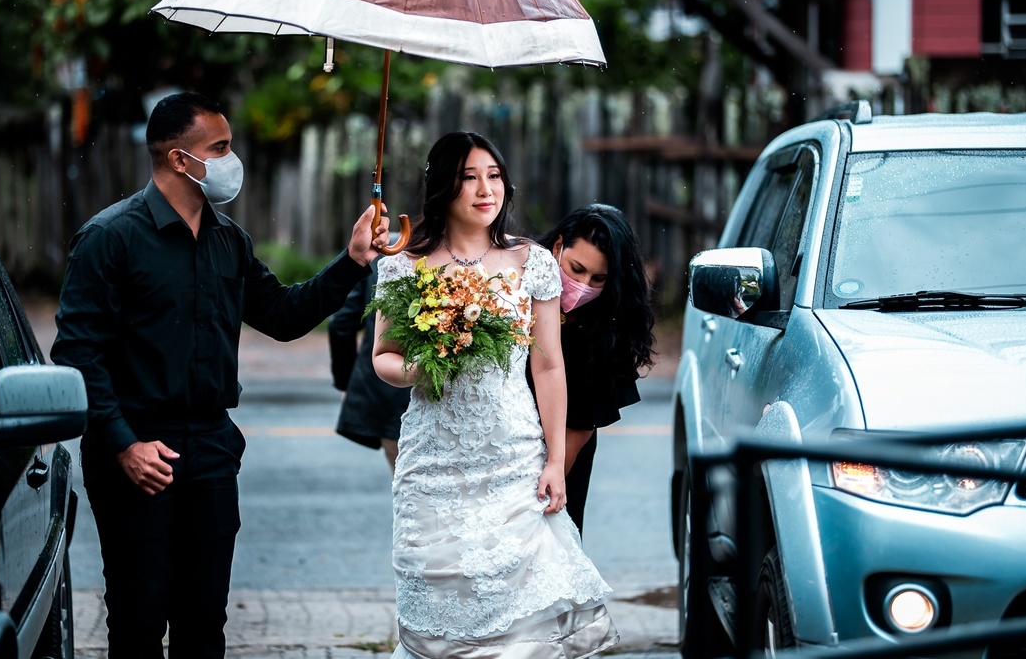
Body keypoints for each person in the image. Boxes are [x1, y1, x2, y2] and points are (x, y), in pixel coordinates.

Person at [50, 91, 389, 659]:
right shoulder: (110, 239)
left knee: (204, 621)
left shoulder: (228, 240)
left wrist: (352, 262)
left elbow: (283, 316)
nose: (234, 160)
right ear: (181, 159)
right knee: (137, 618)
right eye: (221, 147)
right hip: (136, 452)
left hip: (210, 448)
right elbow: (79, 355)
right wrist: (123, 444)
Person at [371, 131, 618, 659]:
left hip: (513, 460)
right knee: (439, 610)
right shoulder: (402, 263)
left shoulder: (532, 261)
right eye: (469, 177)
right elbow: (383, 357)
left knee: (520, 618)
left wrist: (555, 461)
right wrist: (418, 365)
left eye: (495, 175)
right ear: (444, 186)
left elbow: (549, 365)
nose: (487, 189)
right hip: (432, 461)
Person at [533, 204, 656, 534]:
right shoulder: (516, 287)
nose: (583, 285)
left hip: (561, 457)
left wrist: (551, 471)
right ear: (558, 247)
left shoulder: (611, 329)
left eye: (598, 279)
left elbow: (580, 426)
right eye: (576, 269)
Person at [327, 250, 411, 472]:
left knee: (408, 491)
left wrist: (347, 382)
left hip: (389, 397)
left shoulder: (382, 254)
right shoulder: (472, 251)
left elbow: (341, 324)